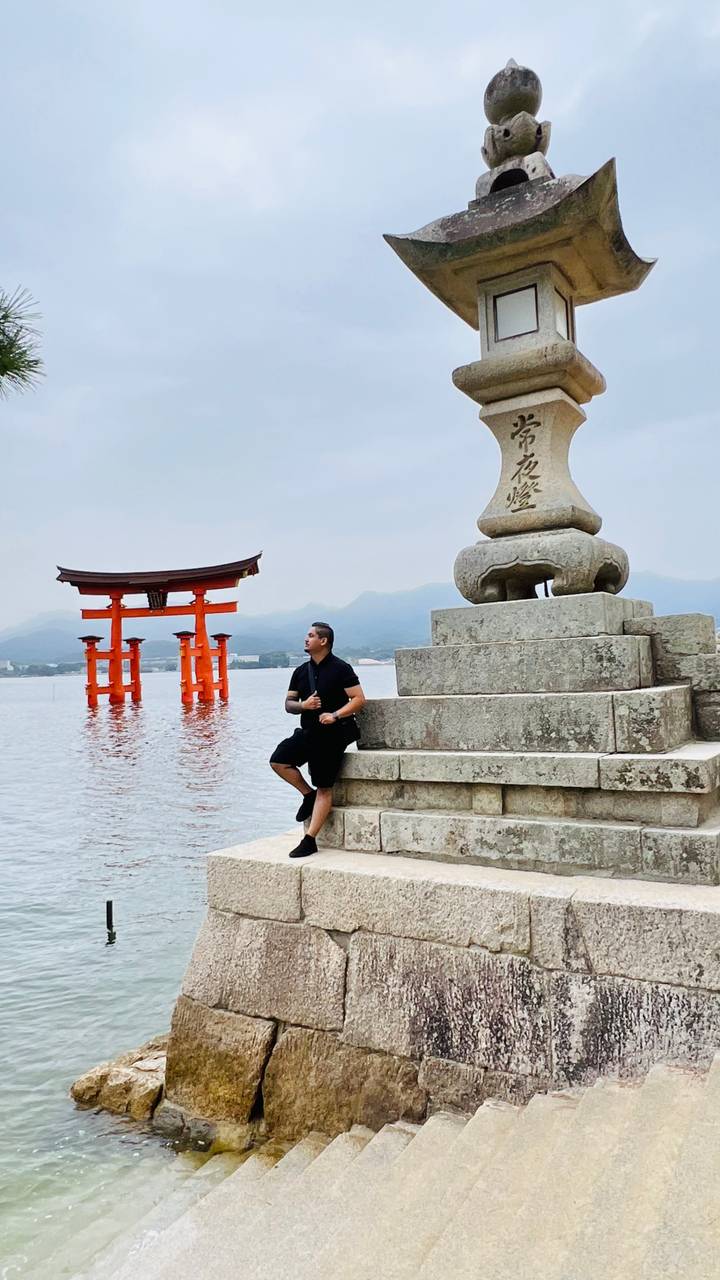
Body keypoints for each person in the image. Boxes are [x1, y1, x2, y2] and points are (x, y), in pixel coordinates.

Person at [270, 622, 366, 858]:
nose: (306, 639)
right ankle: (307, 794)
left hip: (332, 737)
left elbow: (358, 699)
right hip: (308, 732)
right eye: (307, 635)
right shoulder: (300, 671)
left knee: (324, 786)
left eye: (311, 635)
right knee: (278, 761)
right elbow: (289, 704)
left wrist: (335, 715)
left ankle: (310, 840)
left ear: (323, 641)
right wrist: (304, 705)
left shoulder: (341, 668)